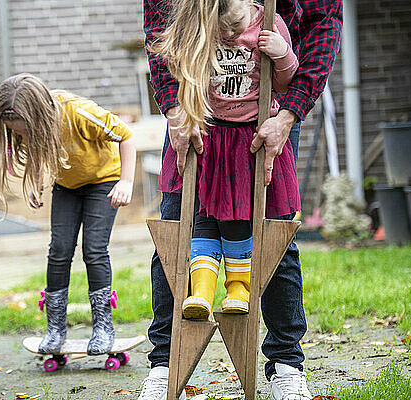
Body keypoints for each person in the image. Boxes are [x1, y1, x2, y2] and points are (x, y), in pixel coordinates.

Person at [141, 0, 342, 399]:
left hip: (261, 123)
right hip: (198, 118)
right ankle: (165, 367)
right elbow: (160, 40)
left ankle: (286, 365)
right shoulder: (184, 15)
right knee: (177, 231)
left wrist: (288, 114)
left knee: (273, 236)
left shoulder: (272, 22)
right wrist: (176, 113)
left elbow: (323, 25)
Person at [154, 0, 299, 320]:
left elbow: (285, 83)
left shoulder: (268, 23)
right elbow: (174, 69)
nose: (231, 34)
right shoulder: (199, 24)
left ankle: (238, 288)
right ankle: (201, 291)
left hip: (248, 139)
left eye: (236, 26)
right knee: (202, 217)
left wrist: (282, 54)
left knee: (239, 219)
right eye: (224, 30)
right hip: (210, 137)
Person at [0, 73, 136, 356]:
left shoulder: (79, 113)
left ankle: (103, 327)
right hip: (67, 186)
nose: (21, 136)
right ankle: (55, 329)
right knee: (59, 250)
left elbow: (126, 137)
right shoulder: (32, 124)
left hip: (104, 181)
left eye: (23, 130)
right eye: (17, 133)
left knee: (94, 250)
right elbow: (36, 147)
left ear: (39, 116)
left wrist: (126, 182)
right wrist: (34, 182)